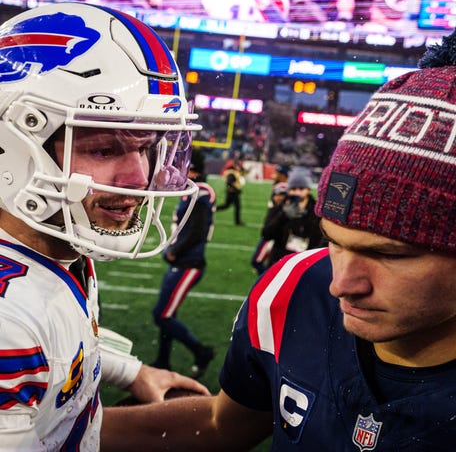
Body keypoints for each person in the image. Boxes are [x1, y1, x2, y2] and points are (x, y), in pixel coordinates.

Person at [101, 29, 456, 451]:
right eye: (334, 243)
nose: (341, 283)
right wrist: (56, 431)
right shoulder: (294, 289)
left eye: (390, 254)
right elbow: (222, 424)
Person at [0, 2, 210, 450]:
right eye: (102, 147)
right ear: (12, 148)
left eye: (148, 146)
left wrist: (132, 372)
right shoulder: (7, 324)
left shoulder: (52, 245)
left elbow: (60, 348)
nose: (139, 178)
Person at [152, 150, 216, 379]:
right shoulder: (192, 190)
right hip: (182, 261)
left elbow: (197, 231)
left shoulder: (201, 192)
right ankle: (162, 360)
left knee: (162, 315)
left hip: (189, 263)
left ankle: (202, 352)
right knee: (168, 313)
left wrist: (174, 251)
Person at [261, 166, 323, 268]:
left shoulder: (316, 210)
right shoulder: (280, 206)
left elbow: (319, 239)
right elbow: (266, 234)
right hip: (279, 261)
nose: (297, 192)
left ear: (308, 190)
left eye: (301, 188)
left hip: (305, 263)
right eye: (293, 188)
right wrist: (283, 216)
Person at [250, 181, 288, 276]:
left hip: (277, 240)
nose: (279, 198)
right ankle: (267, 277)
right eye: (277, 195)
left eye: (282, 195)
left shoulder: (288, 210)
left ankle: (268, 277)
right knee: (257, 261)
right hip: (270, 236)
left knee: (260, 262)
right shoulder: (274, 207)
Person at [216, 159, 246, 225]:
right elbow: (229, 182)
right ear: (235, 166)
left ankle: (237, 222)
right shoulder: (232, 173)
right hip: (232, 193)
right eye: (238, 166)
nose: (239, 168)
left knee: (234, 206)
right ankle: (213, 209)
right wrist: (237, 189)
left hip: (233, 192)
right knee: (228, 206)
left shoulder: (233, 171)